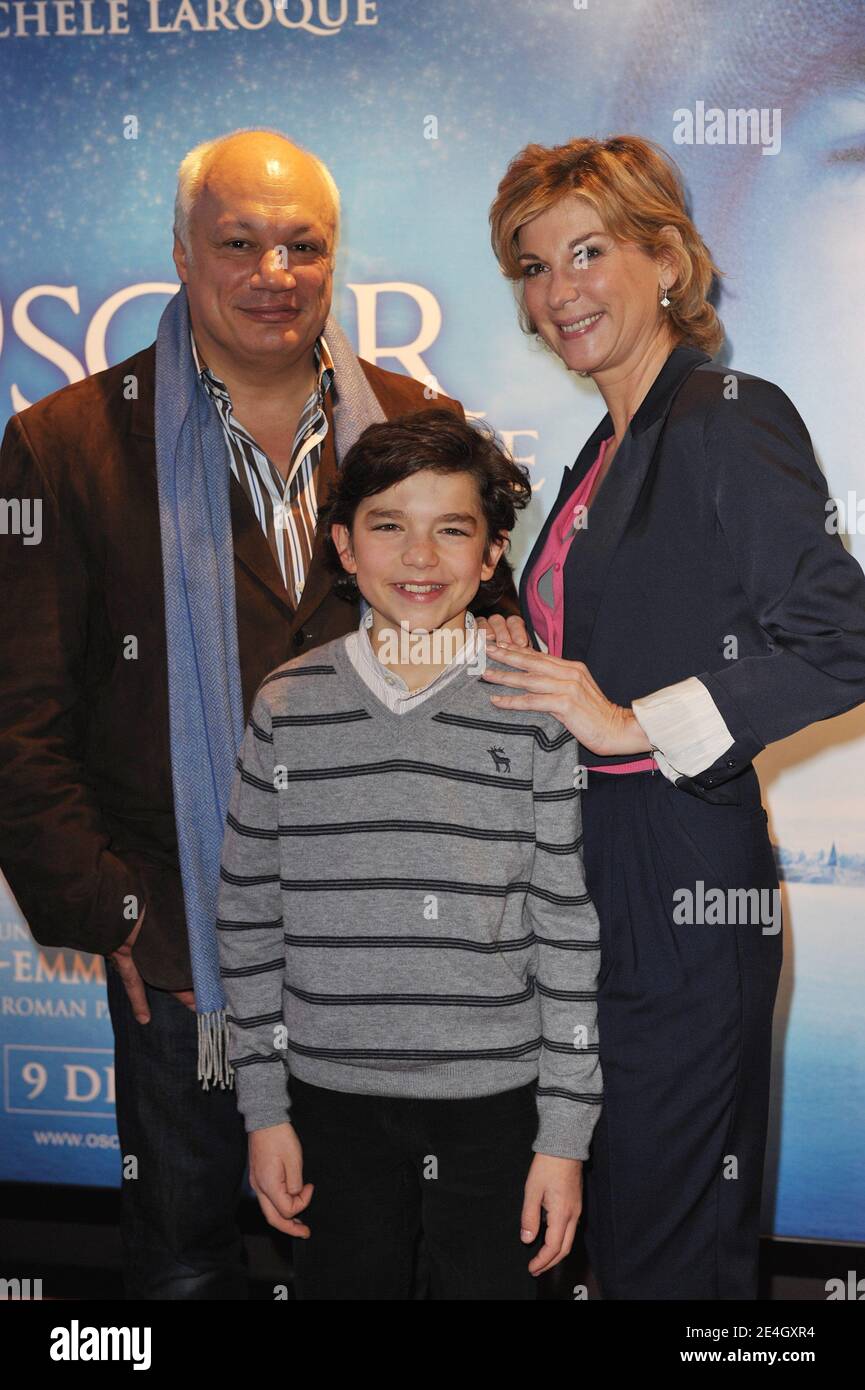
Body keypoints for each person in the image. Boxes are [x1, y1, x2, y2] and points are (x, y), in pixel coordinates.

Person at [0, 128, 522, 1300]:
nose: (271, 272)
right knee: (185, 1261)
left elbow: (478, 654)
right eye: (237, 241)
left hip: (393, 948)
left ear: (334, 259)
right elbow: (15, 723)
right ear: (182, 253)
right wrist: (118, 912)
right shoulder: (67, 445)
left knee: (383, 1258)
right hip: (183, 948)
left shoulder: (414, 422)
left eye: (302, 245)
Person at [481, 134, 865, 1299]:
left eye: (588, 252)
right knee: (606, 1240)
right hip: (587, 883)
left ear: (664, 258)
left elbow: (841, 633)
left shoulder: (724, 415)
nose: (560, 292)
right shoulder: (608, 444)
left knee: (669, 1256)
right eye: (534, 267)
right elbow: (639, 621)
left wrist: (628, 721)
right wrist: (527, 653)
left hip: (679, 885)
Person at [216, 409, 603, 1300]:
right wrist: (264, 1110)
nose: (419, 558)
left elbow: (564, 927)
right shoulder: (288, 705)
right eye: (389, 527)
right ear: (345, 548)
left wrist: (562, 1138)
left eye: (451, 530)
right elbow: (247, 911)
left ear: (492, 552)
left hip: (498, 1111)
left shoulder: (535, 706)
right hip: (328, 1103)